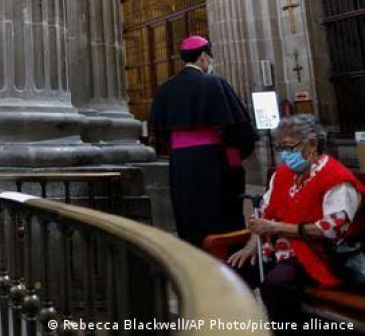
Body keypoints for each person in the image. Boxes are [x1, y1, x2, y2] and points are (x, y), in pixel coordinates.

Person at [228, 115, 364, 326]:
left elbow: (331, 230)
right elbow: (264, 212)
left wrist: (277, 227)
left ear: (312, 143)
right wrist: (251, 245)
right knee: (233, 271)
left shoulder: (337, 179)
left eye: (289, 147)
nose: (284, 154)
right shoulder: (283, 174)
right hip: (277, 247)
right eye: (280, 147)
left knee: (275, 284)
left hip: (319, 253)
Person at [148, 35, 258, 246]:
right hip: (213, 161)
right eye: (209, 57)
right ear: (204, 57)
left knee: (188, 210)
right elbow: (240, 129)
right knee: (217, 212)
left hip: (180, 162)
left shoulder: (166, 88)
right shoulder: (215, 83)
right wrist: (237, 151)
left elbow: (161, 132)